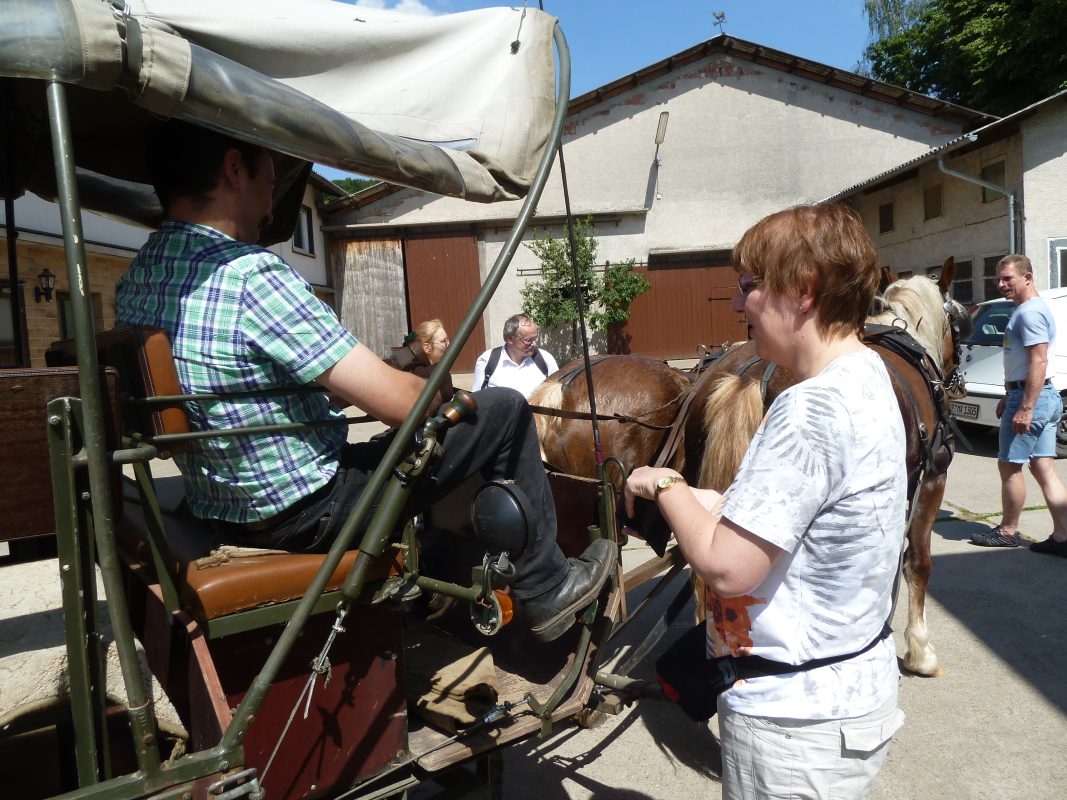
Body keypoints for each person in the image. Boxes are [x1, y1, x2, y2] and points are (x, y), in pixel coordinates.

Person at [114, 121, 614, 642]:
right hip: (308, 513)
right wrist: (436, 385)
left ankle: (441, 567)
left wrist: (383, 369)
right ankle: (544, 586)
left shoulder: (141, 277)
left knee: (400, 447)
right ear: (234, 168)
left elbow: (257, 383)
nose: (271, 194)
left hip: (218, 501)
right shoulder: (248, 276)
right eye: (270, 175)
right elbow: (404, 405)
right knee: (504, 408)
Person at [625, 203, 907, 799]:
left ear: (803, 291)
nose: (736, 305)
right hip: (847, 693)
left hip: (793, 726)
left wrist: (666, 485)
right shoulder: (869, 375)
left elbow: (730, 569)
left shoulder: (809, 408)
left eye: (750, 287)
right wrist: (718, 501)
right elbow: (811, 514)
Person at [972, 255, 1067, 556]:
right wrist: (1008, 394)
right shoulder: (1030, 310)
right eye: (998, 279)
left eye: (1007, 278)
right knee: (1043, 468)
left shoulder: (1028, 314)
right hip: (1038, 396)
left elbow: (1039, 360)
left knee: (1009, 466)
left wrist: (1024, 406)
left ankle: (1008, 531)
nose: (1001, 284)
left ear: (1027, 277)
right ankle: (1064, 537)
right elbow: (1025, 362)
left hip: (1032, 399)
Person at [471, 314, 558, 399]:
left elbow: (557, 394)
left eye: (535, 338)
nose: (534, 344)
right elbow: (477, 398)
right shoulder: (488, 359)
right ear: (510, 338)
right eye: (528, 340)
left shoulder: (545, 359)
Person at [384, 319, 455, 405]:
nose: (448, 343)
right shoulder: (426, 372)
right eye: (443, 341)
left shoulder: (404, 359)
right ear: (427, 348)